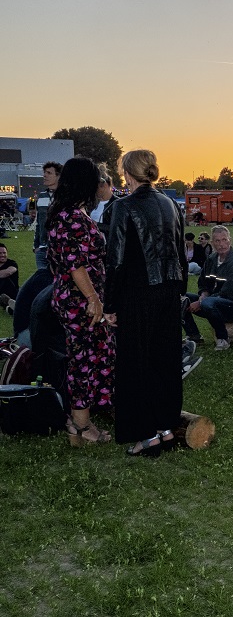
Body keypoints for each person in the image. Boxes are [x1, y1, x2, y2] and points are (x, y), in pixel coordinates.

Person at [104, 149, 188, 457]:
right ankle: (165, 427)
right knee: (165, 360)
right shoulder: (169, 203)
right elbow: (181, 252)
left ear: (127, 171)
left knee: (136, 364)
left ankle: (146, 435)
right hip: (168, 290)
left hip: (138, 293)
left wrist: (109, 305)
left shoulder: (123, 207)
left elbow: (114, 261)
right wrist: (180, 289)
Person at [46, 157, 114, 447]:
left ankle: (81, 421)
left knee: (90, 357)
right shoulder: (71, 217)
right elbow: (75, 265)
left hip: (73, 297)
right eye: (95, 179)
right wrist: (93, 298)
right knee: (84, 360)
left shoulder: (66, 212)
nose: (99, 184)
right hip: (80, 301)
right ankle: (80, 426)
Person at [181, 225, 233, 350]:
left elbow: (229, 293)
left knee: (208, 303)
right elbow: (203, 283)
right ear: (212, 243)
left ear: (230, 240)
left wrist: (201, 301)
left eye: (224, 240)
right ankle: (194, 336)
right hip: (213, 302)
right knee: (182, 298)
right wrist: (203, 295)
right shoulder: (211, 259)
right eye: (217, 241)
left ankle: (223, 338)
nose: (221, 244)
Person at [34, 161, 62, 271]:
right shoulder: (42, 196)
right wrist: (36, 246)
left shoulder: (65, 196)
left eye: (49, 173)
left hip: (58, 250)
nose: (45, 175)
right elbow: (38, 223)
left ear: (59, 176)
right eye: (44, 172)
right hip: (42, 249)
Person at [0, 243, 19, 309]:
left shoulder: (12, 263)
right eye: (0, 253)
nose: (2, 255)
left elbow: (8, 272)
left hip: (12, 293)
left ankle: (11, 304)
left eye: (4, 253)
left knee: (5, 278)